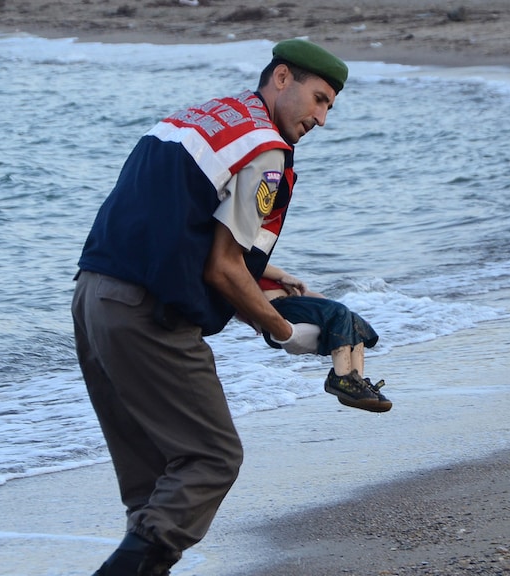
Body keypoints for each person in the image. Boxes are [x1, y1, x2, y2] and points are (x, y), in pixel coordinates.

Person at [70, 39, 384, 576]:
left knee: (153, 487)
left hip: (93, 298)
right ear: (281, 78)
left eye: (330, 105)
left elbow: (175, 220)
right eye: (319, 98)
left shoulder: (204, 117)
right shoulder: (266, 148)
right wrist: (282, 330)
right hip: (148, 315)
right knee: (212, 459)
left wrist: (260, 272)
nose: (323, 118)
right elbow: (220, 268)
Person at [257, 264, 391, 413]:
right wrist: (282, 275)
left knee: (352, 320)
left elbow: (316, 299)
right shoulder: (250, 265)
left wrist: (341, 316)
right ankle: (341, 379)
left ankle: (356, 384)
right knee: (340, 312)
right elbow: (252, 263)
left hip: (294, 305)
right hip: (276, 307)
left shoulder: (280, 282)